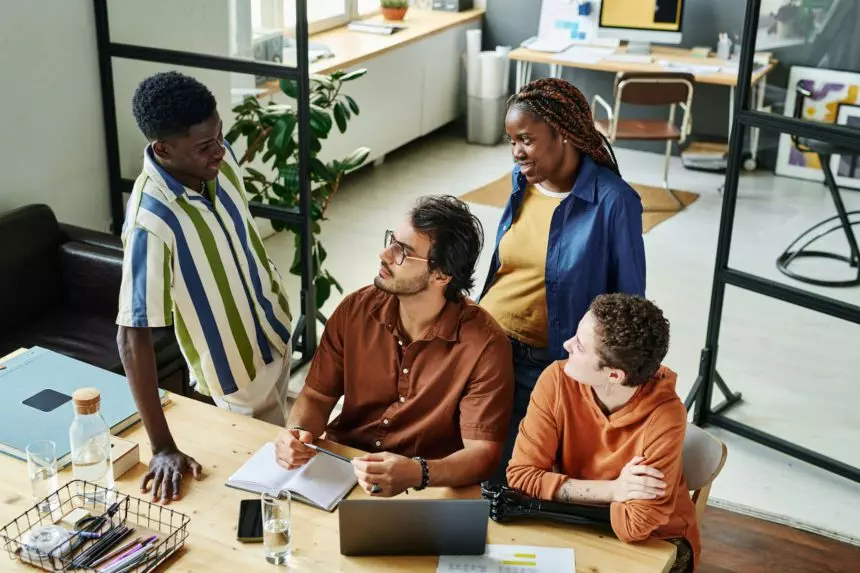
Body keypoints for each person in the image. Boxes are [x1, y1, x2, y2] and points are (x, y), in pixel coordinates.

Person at [116, 72, 293, 503]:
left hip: (276, 328)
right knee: (275, 489)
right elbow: (131, 336)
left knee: (291, 444)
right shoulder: (151, 224)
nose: (220, 151)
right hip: (236, 372)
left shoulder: (217, 156)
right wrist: (161, 446)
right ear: (163, 149)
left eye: (219, 136)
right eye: (204, 146)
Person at [275, 196, 514, 497]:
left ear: (440, 275)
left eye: (403, 252)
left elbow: (483, 456)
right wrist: (296, 433)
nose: (384, 254)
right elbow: (316, 396)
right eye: (392, 241)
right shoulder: (355, 310)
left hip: (426, 487)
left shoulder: (486, 347)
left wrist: (417, 472)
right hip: (344, 469)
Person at [478, 77, 646, 482]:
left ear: (565, 135)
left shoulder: (614, 202)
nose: (517, 152)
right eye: (511, 141)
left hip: (543, 362)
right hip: (486, 346)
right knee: (467, 457)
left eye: (527, 140)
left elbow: (629, 305)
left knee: (509, 476)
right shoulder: (523, 183)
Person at [507, 293, 699, 572]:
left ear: (614, 375)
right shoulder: (556, 380)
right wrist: (614, 490)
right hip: (573, 522)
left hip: (656, 540)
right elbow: (522, 477)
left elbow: (637, 524)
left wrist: (559, 489)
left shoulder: (665, 416)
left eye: (580, 347)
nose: (566, 345)